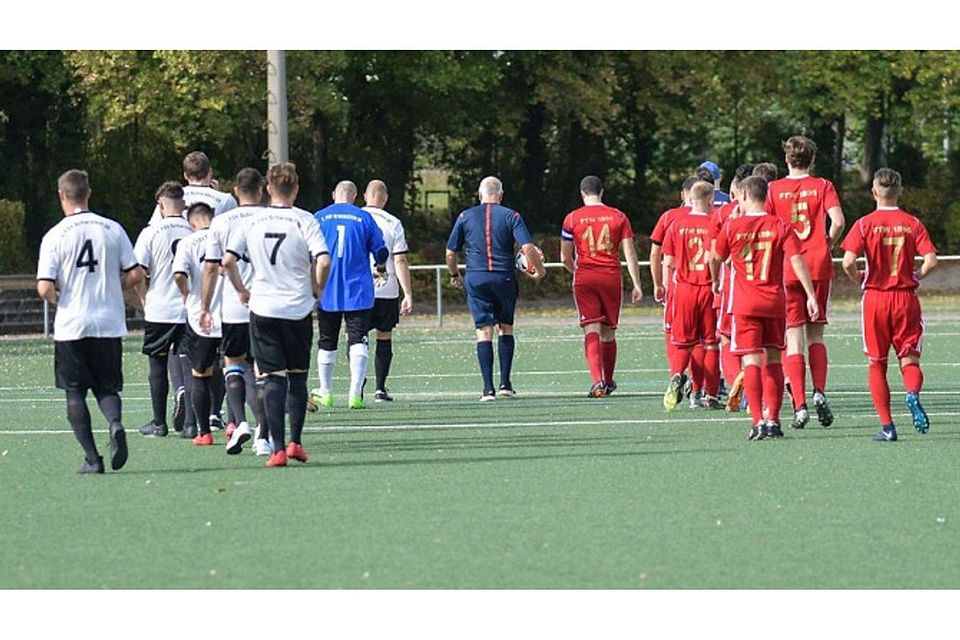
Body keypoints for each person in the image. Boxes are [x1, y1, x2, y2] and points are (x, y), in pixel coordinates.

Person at [221, 162, 330, 467]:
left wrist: (242, 290)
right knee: (297, 377)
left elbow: (228, 261)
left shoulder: (253, 222)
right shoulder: (304, 220)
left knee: (271, 378)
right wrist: (317, 289)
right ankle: (296, 442)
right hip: (297, 309)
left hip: (263, 307)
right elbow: (323, 259)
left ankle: (277, 448)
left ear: (268, 189)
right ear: (295, 188)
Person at [36, 169, 142, 473]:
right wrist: (111, 286)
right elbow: (135, 273)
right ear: (89, 193)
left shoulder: (55, 235)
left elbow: (44, 287)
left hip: (73, 324)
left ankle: (93, 460)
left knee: (74, 392)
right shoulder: (112, 228)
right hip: (108, 321)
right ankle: (116, 422)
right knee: (107, 388)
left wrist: (62, 299)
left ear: (61, 196)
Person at [710, 176, 819, 440]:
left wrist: (715, 281)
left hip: (745, 304)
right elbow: (797, 260)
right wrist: (810, 294)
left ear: (745, 196)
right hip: (774, 302)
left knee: (750, 361)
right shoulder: (780, 225)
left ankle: (757, 420)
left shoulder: (732, 227)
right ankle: (773, 420)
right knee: (773, 359)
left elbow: (715, 257)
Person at [840, 168, 937, 442]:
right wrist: (917, 275)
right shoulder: (913, 223)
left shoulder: (864, 223)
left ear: (873, 192)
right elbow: (931, 260)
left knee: (876, 364)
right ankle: (912, 394)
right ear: (901, 192)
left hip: (875, 299)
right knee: (909, 360)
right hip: (906, 298)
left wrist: (858, 276)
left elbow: (848, 261)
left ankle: (887, 427)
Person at [766, 136, 845, 430]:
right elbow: (837, 220)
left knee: (793, 337)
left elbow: (769, 226)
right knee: (816, 335)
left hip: (788, 268)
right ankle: (819, 391)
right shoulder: (823, 186)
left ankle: (799, 405)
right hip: (817, 265)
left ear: (787, 160)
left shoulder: (773, 189)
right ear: (812, 160)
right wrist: (826, 242)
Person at [445, 176, 545, 401]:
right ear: (500, 195)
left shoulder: (465, 216)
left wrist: (454, 274)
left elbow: (451, 252)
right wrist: (539, 270)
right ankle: (505, 384)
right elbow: (528, 247)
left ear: (480, 195)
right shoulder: (512, 215)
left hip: (476, 278)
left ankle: (487, 389)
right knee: (506, 328)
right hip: (504, 278)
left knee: (483, 332)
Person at [200, 167, 270, 456]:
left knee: (233, 363)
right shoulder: (272, 217)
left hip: (233, 307)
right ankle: (263, 436)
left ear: (236, 192)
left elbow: (211, 267)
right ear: (262, 190)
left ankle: (240, 421)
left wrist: (205, 306)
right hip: (268, 304)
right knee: (263, 371)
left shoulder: (222, 221)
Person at [308, 180, 388, 410]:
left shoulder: (319, 217)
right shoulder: (364, 217)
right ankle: (355, 393)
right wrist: (381, 267)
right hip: (358, 289)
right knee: (358, 338)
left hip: (327, 288)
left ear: (334, 194)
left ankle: (326, 391)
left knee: (326, 340)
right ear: (355, 197)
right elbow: (381, 250)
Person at [560, 175, 643, 397]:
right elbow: (629, 252)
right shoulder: (618, 216)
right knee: (608, 331)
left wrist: (576, 269)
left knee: (591, 328)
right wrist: (636, 283)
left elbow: (565, 257)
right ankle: (608, 380)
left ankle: (597, 381)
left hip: (585, 276)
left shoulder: (572, 218)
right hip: (611, 277)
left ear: (582, 193)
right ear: (602, 192)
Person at [132, 181, 192, 438]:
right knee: (191, 366)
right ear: (184, 205)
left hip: (160, 307)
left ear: (160, 205)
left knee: (157, 366)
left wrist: (143, 297)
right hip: (189, 309)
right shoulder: (194, 230)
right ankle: (191, 423)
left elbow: (138, 272)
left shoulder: (151, 232)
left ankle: (159, 423)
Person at [662, 181, 722, 410]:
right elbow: (714, 257)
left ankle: (677, 375)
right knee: (710, 344)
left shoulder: (677, 224)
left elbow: (667, 261)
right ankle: (708, 393)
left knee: (684, 342)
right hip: (708, 288)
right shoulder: (714, 223)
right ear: (709, 201)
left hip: (684, 290)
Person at [173, 203, 223, 446]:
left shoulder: (187, 243)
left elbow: (179, 274)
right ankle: (233, 420)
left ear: (191, 223)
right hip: (229, 314)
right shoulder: (223, 236)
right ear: (212, 218)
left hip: (199, 316)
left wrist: (186, 293)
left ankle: (204, 432)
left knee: (199, 374)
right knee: (236, 368)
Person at [362, 180, 413, 403]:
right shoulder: (393, 222)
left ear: (365, 196)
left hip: (359, 289)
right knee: (385, 336)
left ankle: (357, 387)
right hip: (387, 288)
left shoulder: (356, 218)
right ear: (385, 199)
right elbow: (400, 259)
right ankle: (380, 389)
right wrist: (407, 293)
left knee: (356, 338)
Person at [650, 176, 700, 404]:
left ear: (683, 195)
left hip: (677, 286)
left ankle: (677, 374)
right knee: (706, 340)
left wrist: (657, 282)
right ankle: (701, 390)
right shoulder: (712, 217)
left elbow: (657, 254)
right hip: (706, 285)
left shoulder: (670, 217)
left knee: (675, 334)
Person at [712, 163, 755, 411]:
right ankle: (754, 393)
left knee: (727, 337)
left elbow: (714, 253)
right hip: (767, 285)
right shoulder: (771, 217)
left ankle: (735, 384)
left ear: (736, 189)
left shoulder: (722, 214)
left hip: (734, 284)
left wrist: (715, 279)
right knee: (765, 345)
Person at [147, 150, 237, 225]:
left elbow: (153, 226)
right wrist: (216, 192)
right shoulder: (226, 200)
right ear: (210, 171)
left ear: (185, 175)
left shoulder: (171, 197)